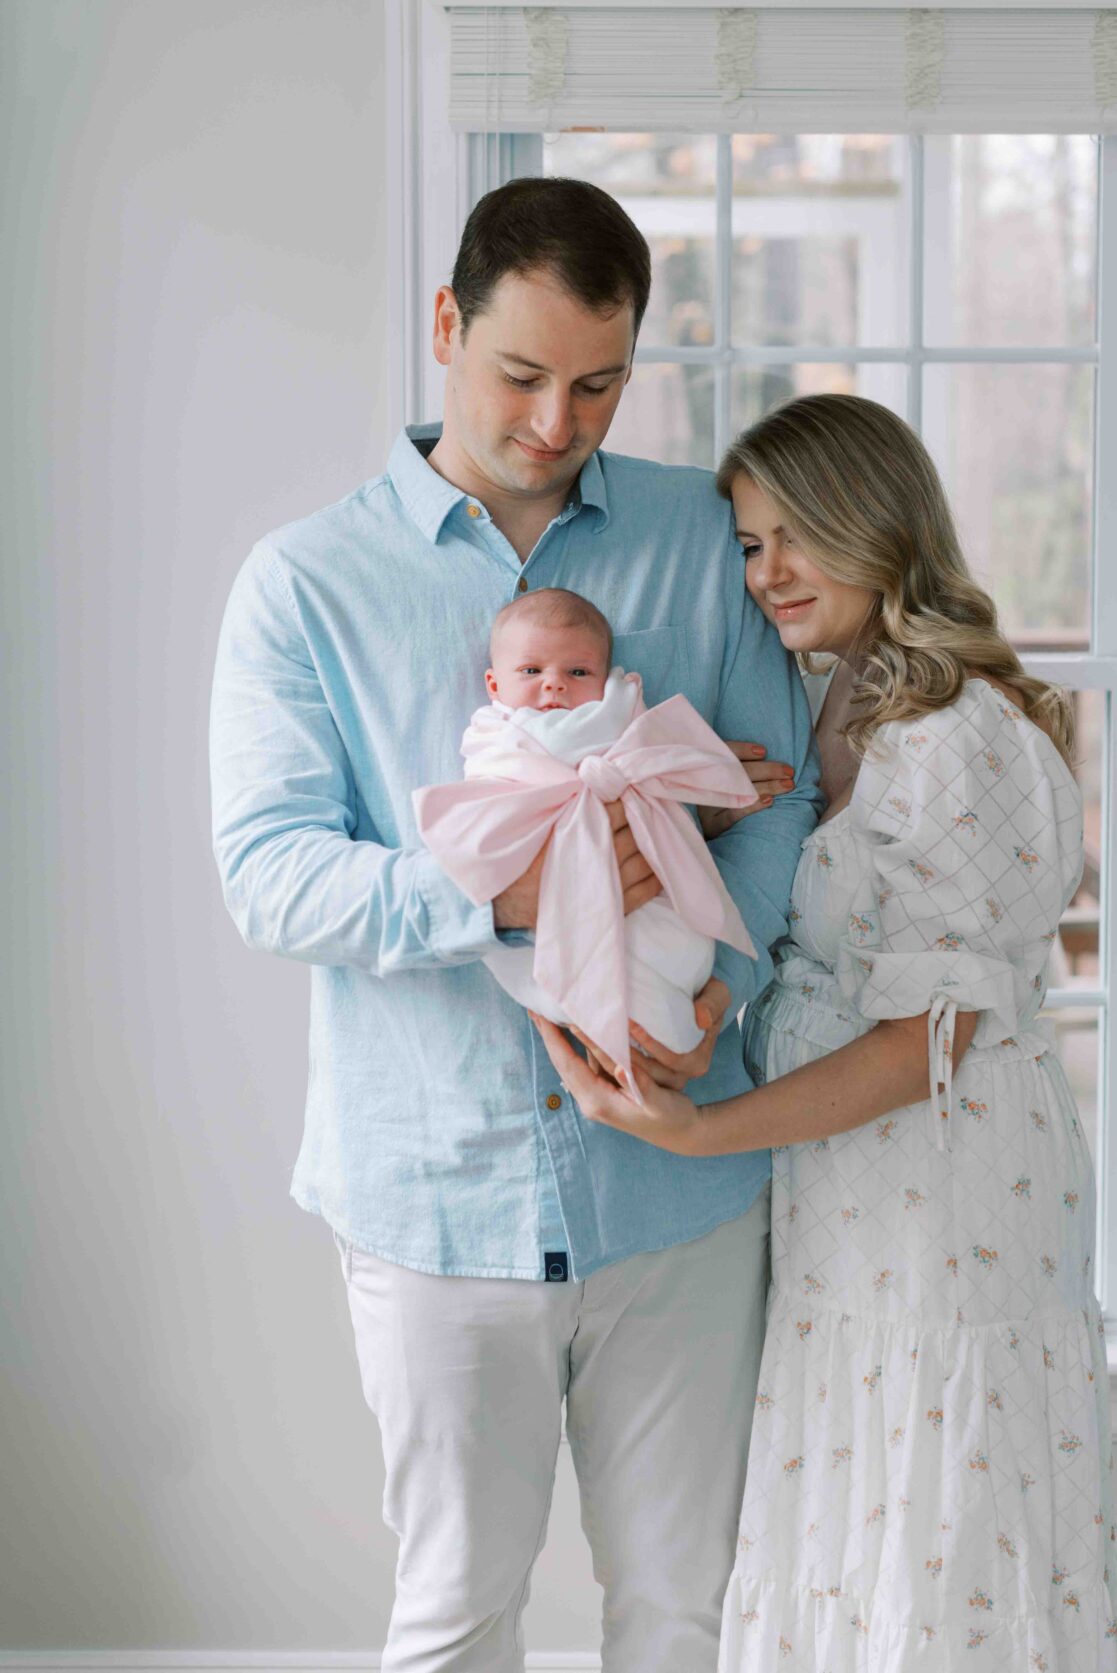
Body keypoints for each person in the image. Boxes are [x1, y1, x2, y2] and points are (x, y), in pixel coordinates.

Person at [209, 176, 821, 1672]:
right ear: (445, 327)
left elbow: (780, 796)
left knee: (682, 1612)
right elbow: (270, 870)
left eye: (599, 383)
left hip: (678, 1187)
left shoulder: (701, 536)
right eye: (521, 374)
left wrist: (712, 998)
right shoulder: (304, 583)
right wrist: (511, 892)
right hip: (433, 1195)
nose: (558, 422)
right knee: (454, 1618)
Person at [534, 393, 1117, 1669]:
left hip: (944, 1198)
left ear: (884, 522)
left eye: (801, 533)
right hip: (852, 1203)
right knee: (868, 1512)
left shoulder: (947, 734)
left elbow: (928, 1040)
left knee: (937, 1521)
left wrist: (701, 1131)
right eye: (748, 543)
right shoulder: (837, 710)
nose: (770, 571)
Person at [413, 585, 760, 1084]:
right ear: (493, 685)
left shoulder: (618, 712)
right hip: (536, 896)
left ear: (608, 679)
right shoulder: (497, 736)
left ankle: (659, 1026)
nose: (554, 686)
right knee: (524, 953)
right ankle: (622, 1024)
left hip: (644, 884)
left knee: (673, 942)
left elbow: (632, 735)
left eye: (578, 672)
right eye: (531, 671)